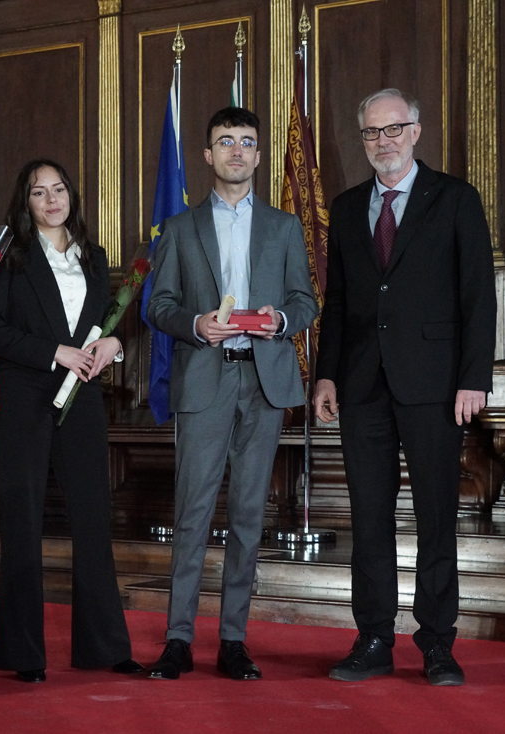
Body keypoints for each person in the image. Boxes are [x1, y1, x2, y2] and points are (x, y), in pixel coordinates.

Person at [313, 89, 496, 687]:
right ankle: (372, 638)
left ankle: (438, 644)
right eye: (371, 133)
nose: (382, 141)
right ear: (362, 140)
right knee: (368, 517)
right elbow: (336, 303)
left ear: (416, 132)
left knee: (436, 516)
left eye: (394, 129)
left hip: (437, 386)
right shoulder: (344, 209)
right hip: (363, 385)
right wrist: (326, 373)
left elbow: (477, 296)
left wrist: (474, 379)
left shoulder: (455, 199)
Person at [145, 107, 318, 681]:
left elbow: (306, 301)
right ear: (207, 155)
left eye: (247, 142)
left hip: (263, 380)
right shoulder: (178, 228)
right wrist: (196, 324)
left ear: (260, 155)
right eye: (226, 142)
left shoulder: (284, 227)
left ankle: (233, 640)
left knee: (248, 515)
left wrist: (281, 321)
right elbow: (158, 305)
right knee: (192, 514)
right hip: (204, 379)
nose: (237, 152)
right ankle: (176, 640)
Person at [0, 159, 142, 682]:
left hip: (85, 400)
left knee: (94, 517)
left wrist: (115, 344)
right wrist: (56, 352)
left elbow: (111, 325)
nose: (52, 200)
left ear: (72, 195)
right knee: (23, 520)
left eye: (59, 190)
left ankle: (104, 646)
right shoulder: (10, 257)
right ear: (24, 202)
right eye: (38, 192)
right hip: (24, 396)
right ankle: (22, 653)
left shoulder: (94, 258)